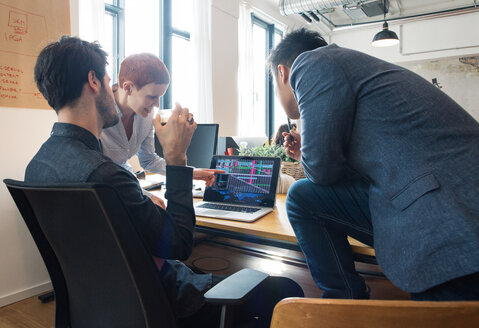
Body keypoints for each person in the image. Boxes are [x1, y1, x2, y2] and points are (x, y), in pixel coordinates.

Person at [26, 36, 303, 327]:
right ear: (93, 81)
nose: (113, 90)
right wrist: (176, 158)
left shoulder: (37, 167)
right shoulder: (106, 176)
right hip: (160, 303)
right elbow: (180, 245)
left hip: (101, 307)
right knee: (288, 291)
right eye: (109, 82)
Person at [268, 27, 479, 301]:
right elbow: (348, 169)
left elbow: (322, 172)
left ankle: (342, 301)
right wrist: (305, 155)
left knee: (301, 196)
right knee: (304, 196)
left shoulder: (311, 63)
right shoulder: (349, 67)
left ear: (282, 73)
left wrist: (310, 156)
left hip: (450, 213)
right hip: (437, 195)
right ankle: (344, 303)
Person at [101, 53, 220, 208]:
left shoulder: (146, 116)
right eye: (152, 97)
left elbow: (148, 159)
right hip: (104, 194)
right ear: (128, 87)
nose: (157, 104)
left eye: (159, 97)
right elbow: (100, 172)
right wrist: (144, 195)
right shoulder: (99, 112)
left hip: (126, 187)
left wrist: (192, 173)